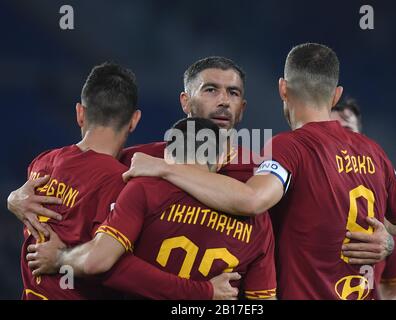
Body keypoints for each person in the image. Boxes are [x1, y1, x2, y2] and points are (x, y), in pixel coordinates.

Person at [123, 43, 396, 300]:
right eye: (211, 90)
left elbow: (255, 201)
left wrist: (387, 242)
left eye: (232, 93)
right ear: (185, 101)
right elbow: (103, 255)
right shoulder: (135, 159)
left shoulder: (266, 165)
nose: (223, 101)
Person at [14, 62, 236, 300]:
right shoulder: (121, 184)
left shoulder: (40, 164)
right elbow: (119, 270)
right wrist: (205, 291)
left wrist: (12, 199)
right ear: (134, 121)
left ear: (80, 113)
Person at [27, 117, 277, 300]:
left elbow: (100, 263)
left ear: (168, 154)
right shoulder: (258, 219)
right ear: (222, 159)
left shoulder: (143, 189)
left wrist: (60, 258)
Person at [332, 98, 396, 300]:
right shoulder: (288, 196)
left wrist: (390, 242)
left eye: (348, 131)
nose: (342, 143)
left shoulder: (386, 214)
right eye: (333, 133)